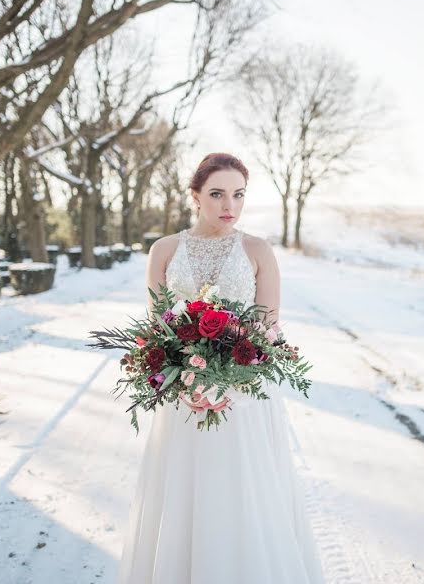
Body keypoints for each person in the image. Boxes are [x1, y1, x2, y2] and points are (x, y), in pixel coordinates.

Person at [117, 152, 326, 584]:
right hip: (182, 400)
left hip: (245, 398)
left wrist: (230, 384)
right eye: (217, 194)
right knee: (186, 498)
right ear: (195, 196)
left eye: (238, 194)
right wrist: (184, 382)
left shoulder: (257, 250)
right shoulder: (165, 250)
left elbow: (268, 329)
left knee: (244, 496)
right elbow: (158, 330)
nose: (229, 204)